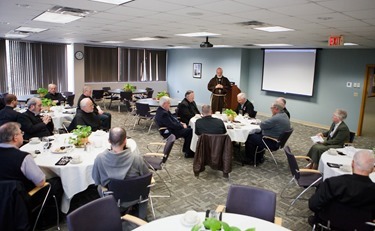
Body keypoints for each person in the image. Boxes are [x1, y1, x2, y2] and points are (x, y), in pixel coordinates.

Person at [92, 127, 150, 219]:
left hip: (112, 199)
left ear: (109, 141)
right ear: (125, 141)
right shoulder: (136, 158)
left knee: (100, 187)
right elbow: (146, 177)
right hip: (135, 196)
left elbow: (96, 180)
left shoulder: (100, 158)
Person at [308, 150, 375, 227]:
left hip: (329, 224)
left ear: (352, 164)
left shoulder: (333, 183)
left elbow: (313, 205)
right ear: (373, 169)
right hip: (360, 227)